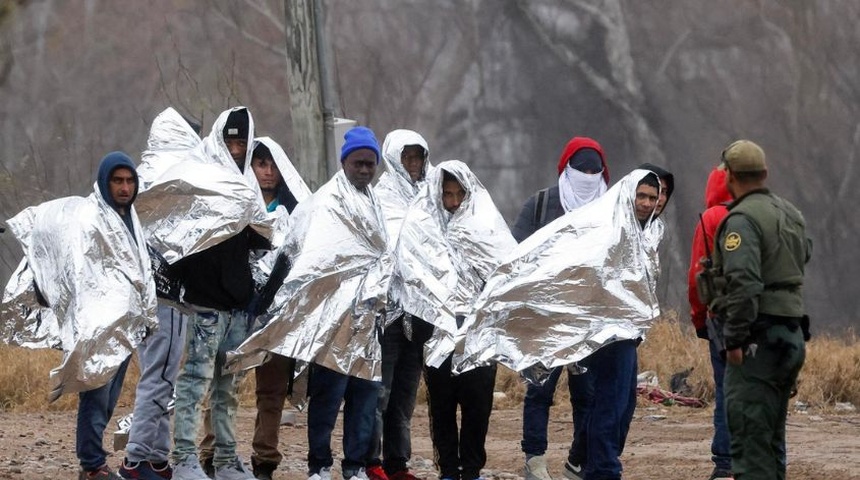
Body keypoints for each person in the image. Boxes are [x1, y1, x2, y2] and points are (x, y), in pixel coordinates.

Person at [170, 107, 268, 480]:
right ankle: (184, 459)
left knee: (228, 388)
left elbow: (262, 236)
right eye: (230, 140)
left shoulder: (248, 185)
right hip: (204, 303)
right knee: (195, 382)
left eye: (242, 142)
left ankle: (226, 460)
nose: (236, 148)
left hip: (237, 307)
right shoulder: (200, 179)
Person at [709, 140, 810, 480]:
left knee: (750, 441)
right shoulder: (791, 213)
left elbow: (744, 283)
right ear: (765, 174)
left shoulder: (740, 220)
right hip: (791, 336)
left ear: (729, 177)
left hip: (758, 340)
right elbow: (802, 259)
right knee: (770, 438)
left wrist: (734, 339)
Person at [510, 136, 609, 480]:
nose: (587, 175)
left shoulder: (609, 209)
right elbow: (515, 252)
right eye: (581, 169)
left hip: (589, 321)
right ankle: (534, 460)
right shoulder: (540, 205)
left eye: (594, 170)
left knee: (588, 396)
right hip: (545, 319)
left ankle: (578, 460)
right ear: (566, 169)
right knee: (539, 391)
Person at [366, 129, 433, 480]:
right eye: (407, 157)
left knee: (406, 394)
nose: (413, 165)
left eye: (418, 157)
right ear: (393, 158)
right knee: (381, 391)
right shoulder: (381, 198)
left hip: (420, 313)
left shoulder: (430, 197)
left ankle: (398, 462)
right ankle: (371, 460)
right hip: (387, 313)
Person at [247, 138, 309, 480]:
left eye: (272, 164)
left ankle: (264, 458)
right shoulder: (239, 203)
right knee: (221, 385)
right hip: (239, 307)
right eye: (260, 164)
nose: (268, 172)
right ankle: (213, 453)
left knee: (271, 390)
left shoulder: (296, 210)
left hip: (279, 312)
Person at [687, 165, 734, 480]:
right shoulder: (762, 212)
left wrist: (699, 319)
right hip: (764, 318)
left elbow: (696, 279)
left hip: (722, 319)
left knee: (726, 390)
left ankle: (725, 465)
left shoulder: (711, 219)